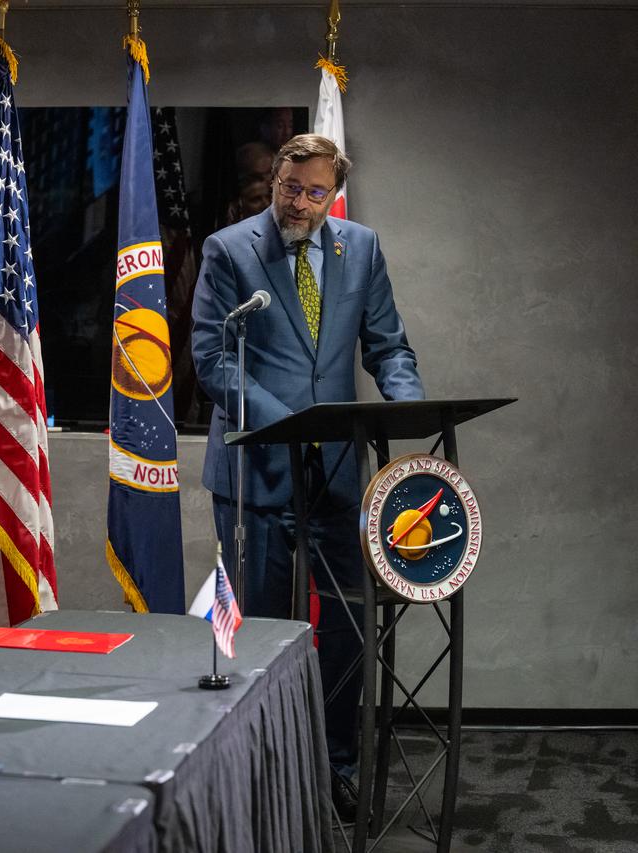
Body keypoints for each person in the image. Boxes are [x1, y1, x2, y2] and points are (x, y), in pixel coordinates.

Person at [190, 134, 425, 814]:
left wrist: (411, 412)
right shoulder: (229, 250)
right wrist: (289, 424)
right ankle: (261, 776)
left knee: (348, 627)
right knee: (262, 631)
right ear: (278, 179)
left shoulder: (363, 248)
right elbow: (213, 359)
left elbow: (388, 345)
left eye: (312, 192)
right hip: (258, 471)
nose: (296, 201)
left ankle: (335, 766)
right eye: (288, 186)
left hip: (341, 475)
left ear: (332, 192)